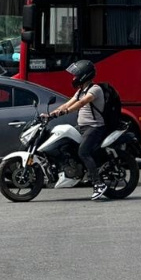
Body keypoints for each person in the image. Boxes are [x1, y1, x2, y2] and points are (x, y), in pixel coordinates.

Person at [46, 60, 121, 201]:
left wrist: (65, 112)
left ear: (84, 75)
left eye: (76, 75)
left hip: (95, 127)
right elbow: (68, 103)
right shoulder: (80, 91)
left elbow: (81, 103)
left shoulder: (95, 89)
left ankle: (98, 184)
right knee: (65, 143)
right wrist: (51, 115)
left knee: (83, 152)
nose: (73, 78)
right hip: (82, 128)